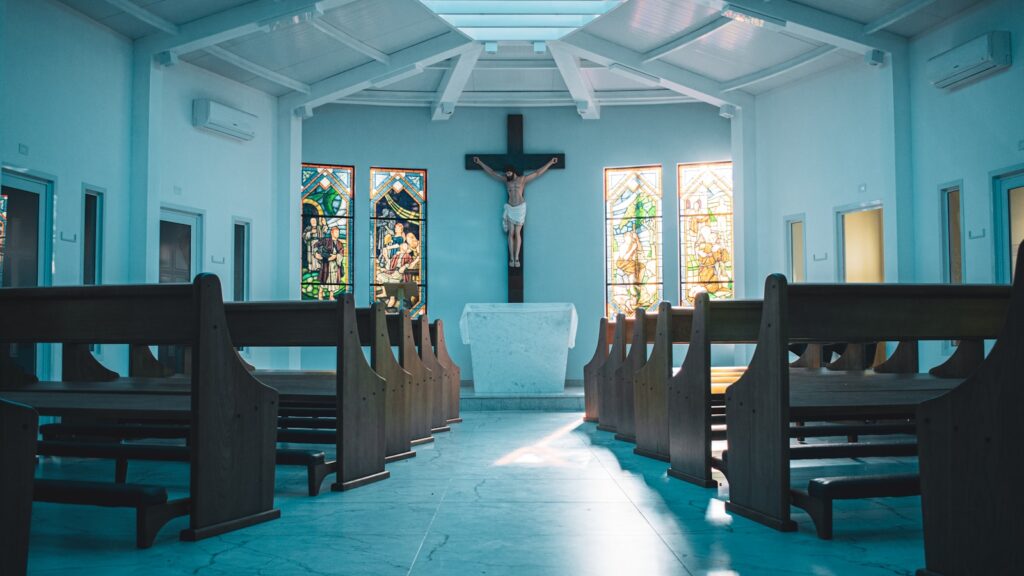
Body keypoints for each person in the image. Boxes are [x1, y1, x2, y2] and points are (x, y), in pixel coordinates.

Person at [472, 155, 558, 268]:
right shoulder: (506, 181)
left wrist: (550, 163)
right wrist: (480, 163)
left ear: (513, 172)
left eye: (509, 173)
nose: (507, 175)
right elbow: (493, 173)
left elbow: (537, 173)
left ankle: (516, 257)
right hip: (510, 207)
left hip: (520, 208)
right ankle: (511, 258)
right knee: (510, 233)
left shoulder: (522, 180)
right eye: (506, 174)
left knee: (517, 233)